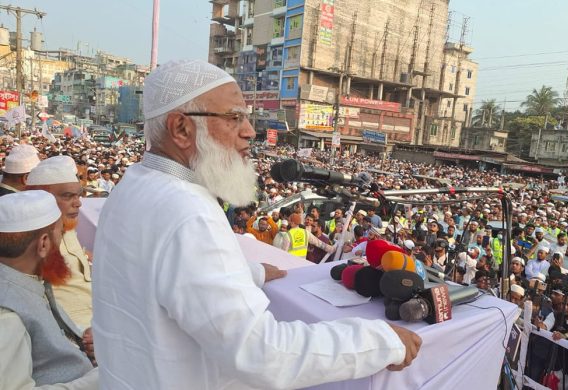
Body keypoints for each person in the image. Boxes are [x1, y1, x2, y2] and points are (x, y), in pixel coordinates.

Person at [92, 60, 421, 389]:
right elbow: (262, 354)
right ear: (181, 129)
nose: (250, 130)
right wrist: (380, 341)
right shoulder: (187, 211)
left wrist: (248, 272)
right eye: (234, 118)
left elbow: (158, 273)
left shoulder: (135, 183)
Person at [0, 190, 98, 388]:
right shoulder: (8, 315)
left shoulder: (25, 280)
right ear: (44, 243)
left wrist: (83, 339)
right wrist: (98, 379)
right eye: (60, 233)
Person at [26, 155, 94, 330]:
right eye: (67, 196)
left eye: (78, 195)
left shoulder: (67, 228)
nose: (78, 203)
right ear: (41, 198)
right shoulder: (30, 241)